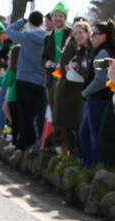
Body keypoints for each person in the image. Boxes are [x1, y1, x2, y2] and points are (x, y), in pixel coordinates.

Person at [6, 11, 47, 151]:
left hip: (24, 79)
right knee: (38, 114)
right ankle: (38, 141)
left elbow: (9, 30)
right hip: (41, 81)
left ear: (30, 22)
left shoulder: (26, 37)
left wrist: (22, 19)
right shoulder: (47, 38)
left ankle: (23, 143)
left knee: (25, 114)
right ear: (42, 23)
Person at [79, 21, 115, 168]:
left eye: (94, 34)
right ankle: (89, 167)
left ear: (104, 36)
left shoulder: (102, 53)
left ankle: (92, 167)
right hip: (99, 100)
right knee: (85, 134)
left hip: (97, 100)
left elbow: (100, 80)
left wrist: (85, 93)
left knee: (92, 136)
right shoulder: (104, 51)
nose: (91, 37)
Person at [54, 21, 92, 157]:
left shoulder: (91, 49)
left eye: (81, 33)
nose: (78, 36)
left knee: (81, 127)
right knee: (71, 125)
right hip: (70, 91)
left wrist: (76, 68)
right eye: (75, 34)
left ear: (88, 33)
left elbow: (88, 72)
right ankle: (74, 154)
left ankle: (80, 155)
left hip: (84, 91)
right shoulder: (73, 47)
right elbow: (64, 67)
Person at [41, 1, 71, 116]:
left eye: (60, 16)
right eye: (55, 16)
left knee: (65, 111)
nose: (57, 18)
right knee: (55, 112)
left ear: (65, 18)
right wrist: (47, 63)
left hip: (66, 77)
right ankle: (57, 133)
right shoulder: (48, 36)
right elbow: (43, 58)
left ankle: (66, 134)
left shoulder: (71, 33)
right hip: (52, 78)